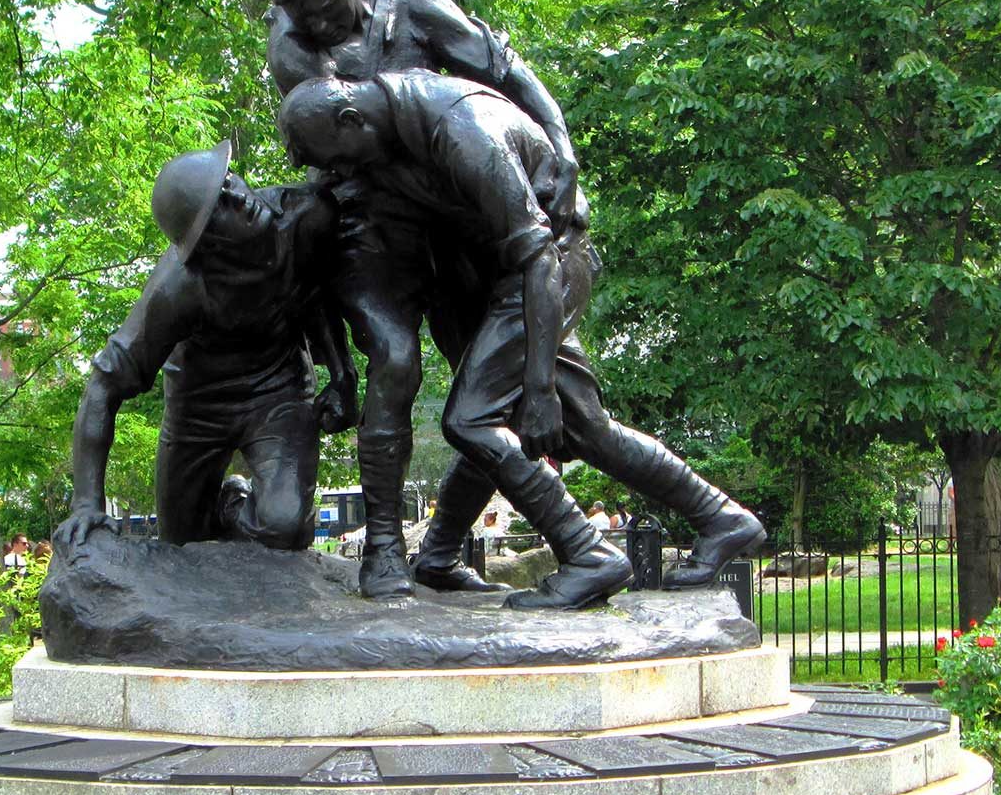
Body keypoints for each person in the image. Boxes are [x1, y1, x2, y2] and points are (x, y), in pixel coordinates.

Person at [279, 71, 764, 609]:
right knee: (580, 429)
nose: (344, 173)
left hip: (543, 273)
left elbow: (538, 259)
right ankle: (722, 518)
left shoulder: (460, 129)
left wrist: (537, 391)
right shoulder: (396, 122)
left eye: (338, 159)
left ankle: (588, 554)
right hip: (513, 275)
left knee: (473, 418)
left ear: (351, 121)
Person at [260, 0, 582, 599]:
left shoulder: (415, 4)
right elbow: (340, 130)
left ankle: (438, 553)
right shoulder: (292, 48)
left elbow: (507, 72)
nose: (316, 24)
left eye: (324, 6)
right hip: (369, 222)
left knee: (484, 389)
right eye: (302, 14)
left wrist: (560, 142)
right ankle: (382, 547)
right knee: (396, 359)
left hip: (456, 216)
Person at [54, 142, 356, 557]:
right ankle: (230, 501)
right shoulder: (177, 290)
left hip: (278, 390)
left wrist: (342, 376)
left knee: (283, 528)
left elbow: (319, 296)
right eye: (221, 207)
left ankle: (239, 512)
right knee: (181, 545)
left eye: (230, 183)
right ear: (207, 245)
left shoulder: (307, 216)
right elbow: (103, 387)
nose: (241, 199)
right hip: (198, 408)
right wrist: (86, 503)